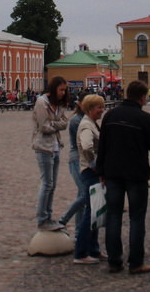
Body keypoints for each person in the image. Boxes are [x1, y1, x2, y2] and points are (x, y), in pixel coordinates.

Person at [97, 80, 150, 274]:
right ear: (142, 97)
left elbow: (102, 146)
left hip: (113, 173)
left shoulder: (110, 115)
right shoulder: (144, 118)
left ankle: (114, 261)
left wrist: (101, 171)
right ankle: (136, 263)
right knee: (136, 218)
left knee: (113, 216)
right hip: (136, 173)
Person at [32, 76, 70, 231]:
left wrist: (54, 123)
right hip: (43, 147)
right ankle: (42, 219)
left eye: (65, 90)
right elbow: (44, 127)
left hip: (55, 146)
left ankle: (49, 216)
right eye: (61, 89)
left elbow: (65, 122)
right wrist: (56, 124)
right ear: (54, 89)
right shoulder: (42, 103)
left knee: (52, 185)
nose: (63, 92)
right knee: (47, 184)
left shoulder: (59, 104)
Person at [73, 94, 106, 264]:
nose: (102, 110)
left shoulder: (91, 123)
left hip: (91, 171)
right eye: (100, 107)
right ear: (91, 109)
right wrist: (94, 163)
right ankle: (80, 253)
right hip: (90, 171)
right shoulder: (86, 125)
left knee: (95, 212)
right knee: (90, 212)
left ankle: (93, 249)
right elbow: (86, 146)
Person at [58, 100, 87, 231]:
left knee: (82, 194)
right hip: (77, 159)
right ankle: (63, 219)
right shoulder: (77, 120)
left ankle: (78, 232)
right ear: (80, 104)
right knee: (85, 194)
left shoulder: (86, 119)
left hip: (84, 159)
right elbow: (83, 143)